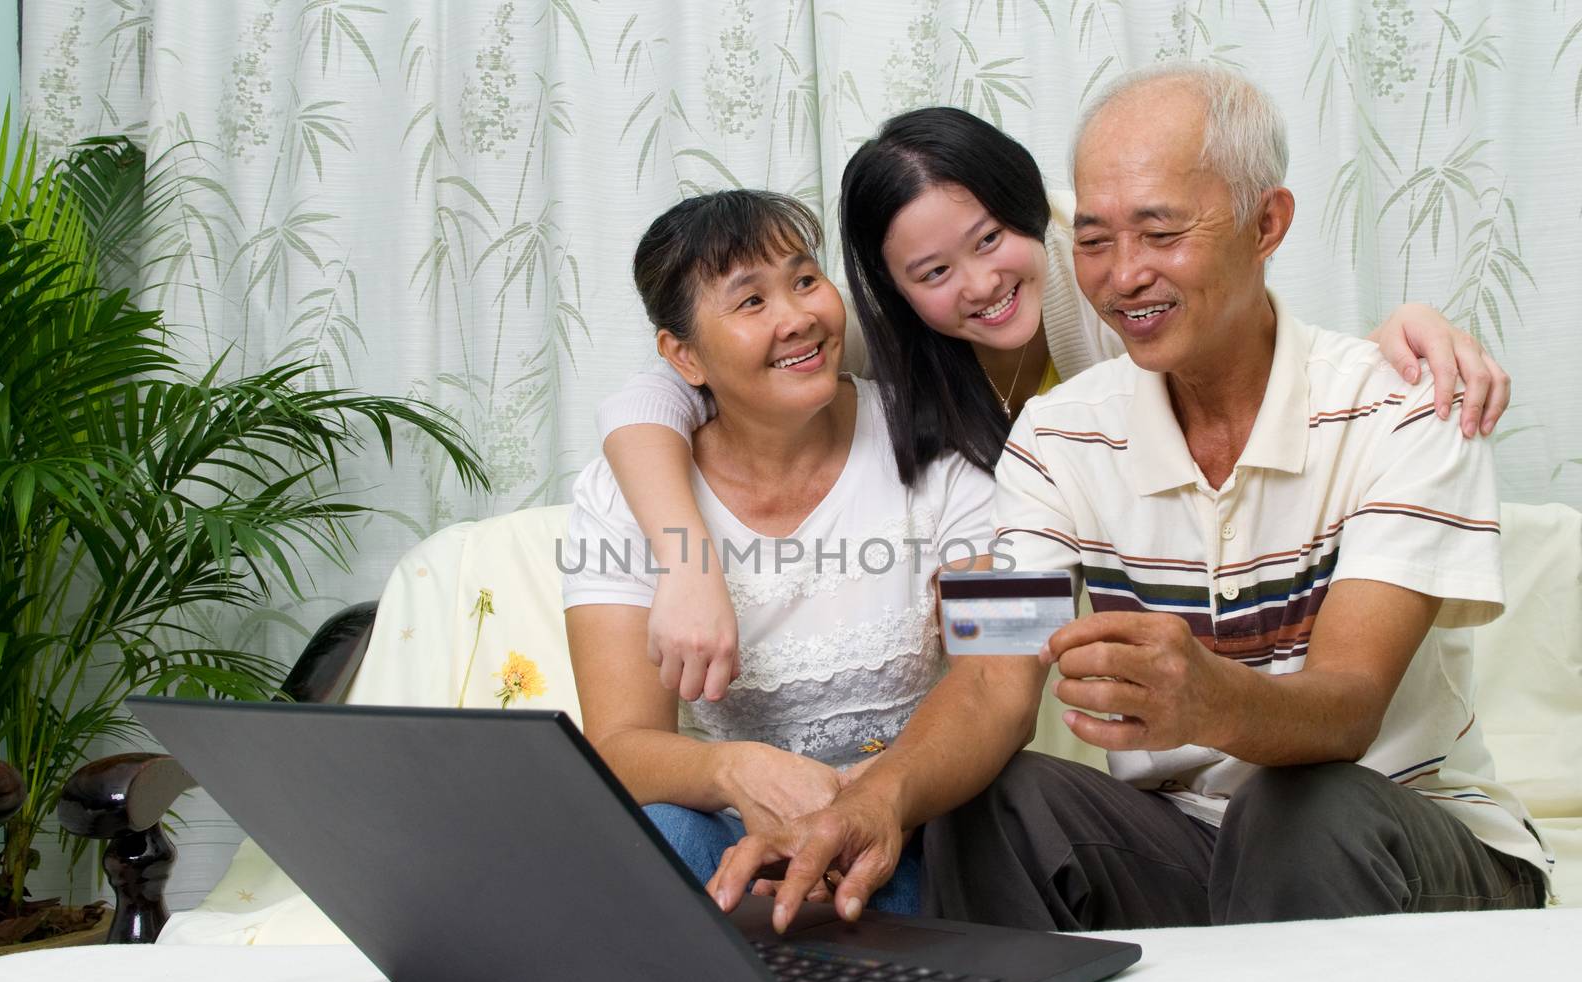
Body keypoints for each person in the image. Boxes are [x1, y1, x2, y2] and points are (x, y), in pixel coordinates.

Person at [708, 63, 1552, 934]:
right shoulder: (1053, 436)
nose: (1123, 277)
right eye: (1098, 240)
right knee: (999, 797)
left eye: (1160, 231)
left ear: (1268, 223)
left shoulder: (1406, 407)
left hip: (1407, 841)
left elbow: (1349, 702)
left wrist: (1210, 698)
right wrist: (874, 801)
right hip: (1195, 846)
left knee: (1301, 808)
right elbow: (994, 675)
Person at [595, 107, 1511, 705]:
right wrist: (687, 562)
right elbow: (656, 393)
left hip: (1222, 627)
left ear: (1036, 213)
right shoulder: (863, 340)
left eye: (993, 238)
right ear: (891, 290)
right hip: (1048, 650)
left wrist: (1404, 323)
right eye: (933, 273)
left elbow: (1257, 339)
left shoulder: (1112, 275)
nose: (982, 284)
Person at [561, 190, 996, 912]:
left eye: (803, 280)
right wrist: (736, 773)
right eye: (750, 301)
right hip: (733, 844)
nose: (797, 317)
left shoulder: (935, 442)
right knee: (653, 837)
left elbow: (993, 678)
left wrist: (873, 802)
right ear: (683, 355)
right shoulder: (628, 493)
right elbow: (618, 743)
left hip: (909, 829)